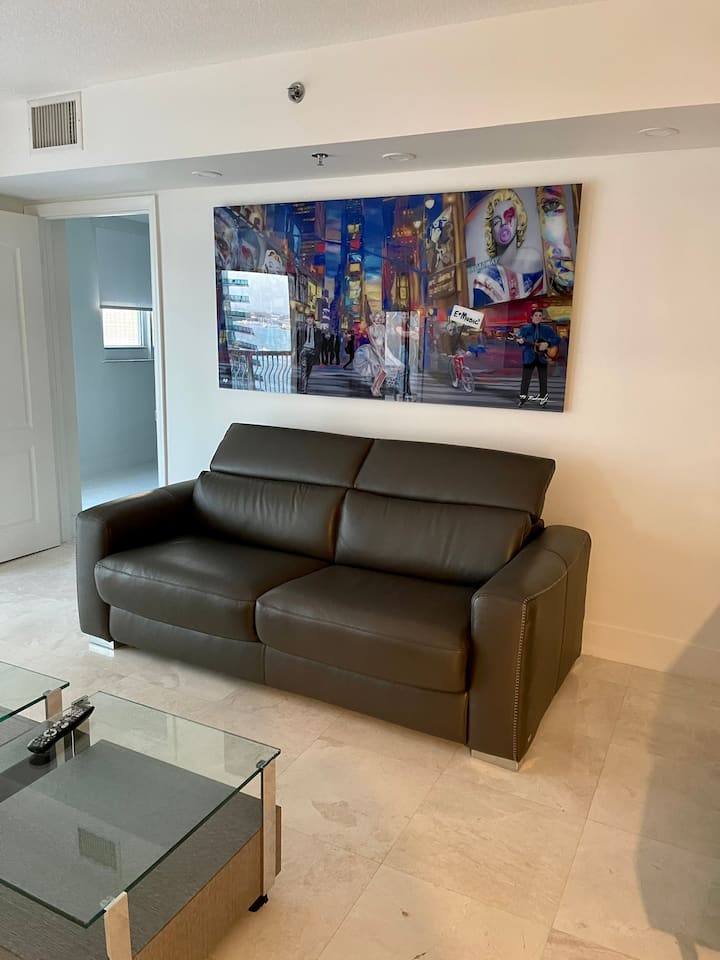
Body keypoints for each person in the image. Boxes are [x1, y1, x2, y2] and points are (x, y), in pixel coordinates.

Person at [516, 304, 560, 407]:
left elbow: (557, 339)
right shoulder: (525, 328)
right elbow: (520, 342)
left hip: (542, 358)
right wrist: (520, 342)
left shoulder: (547, 329)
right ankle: (522, 399)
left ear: (542, 317)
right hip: (529, 357)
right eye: (536, 315)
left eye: (540, 316)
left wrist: (548, 343)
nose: (538, 317)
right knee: (525, 380)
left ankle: (543, 399)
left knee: (543, 380)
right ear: (532, 317)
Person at [296, 317, 320, 394]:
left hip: (312, 351)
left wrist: (317, 352)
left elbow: (319, 342)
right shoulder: (301, 329)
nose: (310, 320)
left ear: (313, 320)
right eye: (308, 318)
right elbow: (296, 340)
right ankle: (304, 388)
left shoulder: (317, 330)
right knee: (304, 369)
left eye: (311, 318)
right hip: (304, 350)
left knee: (308, 370)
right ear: (306, 320)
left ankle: (304, 384)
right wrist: (296, 351)